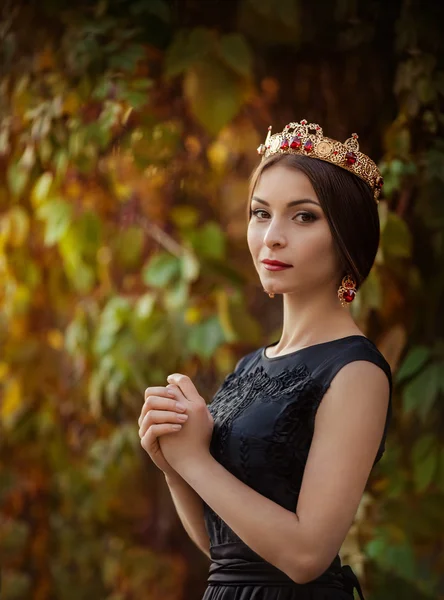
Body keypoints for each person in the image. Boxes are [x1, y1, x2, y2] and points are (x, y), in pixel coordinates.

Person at [138, 119, 392, 600]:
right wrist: (173, 464)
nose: (272, 236)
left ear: (347, 237)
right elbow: (225, 553)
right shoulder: (250, 366)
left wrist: (194, 460)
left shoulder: (356, 371)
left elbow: (305, 557)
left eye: (303, 216)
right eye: (261, 213)